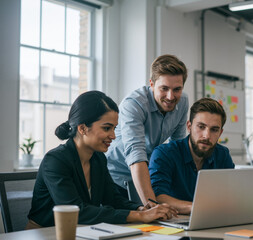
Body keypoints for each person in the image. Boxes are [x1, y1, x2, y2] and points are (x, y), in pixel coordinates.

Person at [27, 91, 177, 228]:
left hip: (82, 231)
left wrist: (141, 208)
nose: (113, 136)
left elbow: (112, 199)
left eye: (114, 128)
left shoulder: (98, 158)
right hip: (47, 232)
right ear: (83, 128)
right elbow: (76, 211)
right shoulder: (55, 160)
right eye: (107, 128)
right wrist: (140, 216)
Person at [106, 54, 189, 205]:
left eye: (177, 89)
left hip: (147, 176)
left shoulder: (183, 102)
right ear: (151, 84)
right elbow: (136, 154)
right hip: (116, 178)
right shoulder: (134, 104)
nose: (171, 97)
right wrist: (152, 206)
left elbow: (177, 149)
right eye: (164, 88)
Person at [149, 98, 235, 214]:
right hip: (174, 223)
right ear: (189, 127)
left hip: (212, 220)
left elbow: (229, 194)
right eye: (201, 127)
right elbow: (158, 197)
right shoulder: (164, 153)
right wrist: (196, 208)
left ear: (220, 133)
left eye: (214, 130)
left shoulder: (222, 154)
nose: (206, 136)